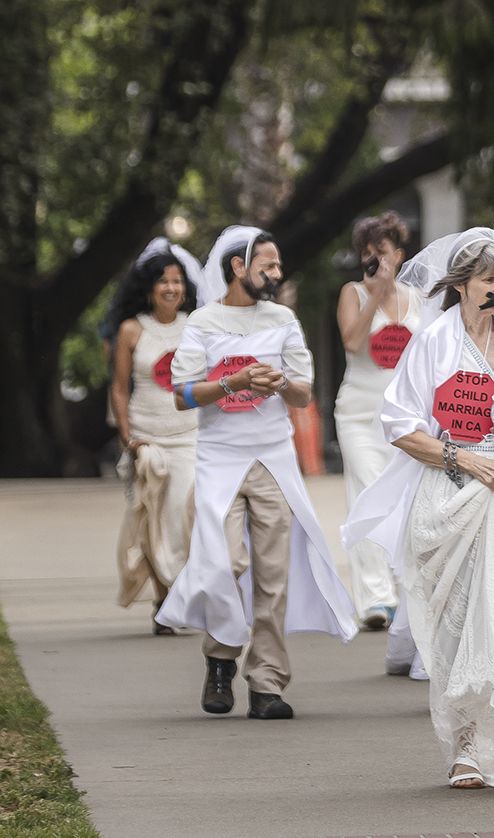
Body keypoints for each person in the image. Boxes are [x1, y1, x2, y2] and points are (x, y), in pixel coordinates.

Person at [341, 228, 494, 794]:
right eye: (488, 278)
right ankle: (465, 748)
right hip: (446, 497)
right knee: (457, 628)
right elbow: (399, 426)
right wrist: (464, 459)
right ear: (461, 285)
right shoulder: (433, 341)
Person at [158, 226, 355, 719]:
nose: (276, 273)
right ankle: (220, 660)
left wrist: (280, 382)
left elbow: (303, 393)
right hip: (220, 457)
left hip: (272, 458)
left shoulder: (283, 319)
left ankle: (266, 683)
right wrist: (232, 382)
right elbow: (182, 394)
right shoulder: (204, 321)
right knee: (222, 562)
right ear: (237, 267)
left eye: (278, 265)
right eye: (267, 265)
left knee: (273, 572)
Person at [333, 212, 423, 633]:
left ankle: (408, 590)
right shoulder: (352, 293)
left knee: (405, 502)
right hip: (358, 413)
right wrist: (377, 293)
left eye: (381, 254)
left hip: (404, 417)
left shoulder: (418, 300)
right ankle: (375, 598)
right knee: (367, 496)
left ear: (398, 255)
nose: (373, 261)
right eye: (366, 255)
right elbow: (352, 341)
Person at [112, 239, 202, 631]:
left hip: (189, 436)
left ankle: (179, 594)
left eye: (177, 281)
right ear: (149, 288)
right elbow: (118, 388)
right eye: (163, 281)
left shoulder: (198, 326)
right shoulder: (132, 330)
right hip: (146, 438)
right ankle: (164, 600)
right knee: (149, 518)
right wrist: (127, 438)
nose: (171, 288)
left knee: (183, 513)